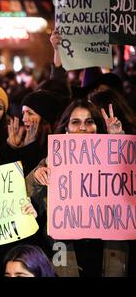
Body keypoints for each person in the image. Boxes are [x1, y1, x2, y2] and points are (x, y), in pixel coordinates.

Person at [25, 99, 132, 277]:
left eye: (89, 122)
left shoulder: (115, 159)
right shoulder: (52, 161)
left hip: (108, 252)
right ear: (66, 128)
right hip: (67, 253)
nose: (83, 128)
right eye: (76, 122)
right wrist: (37, 177)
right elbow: (25, 198)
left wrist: (118, 142)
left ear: (98, 127)